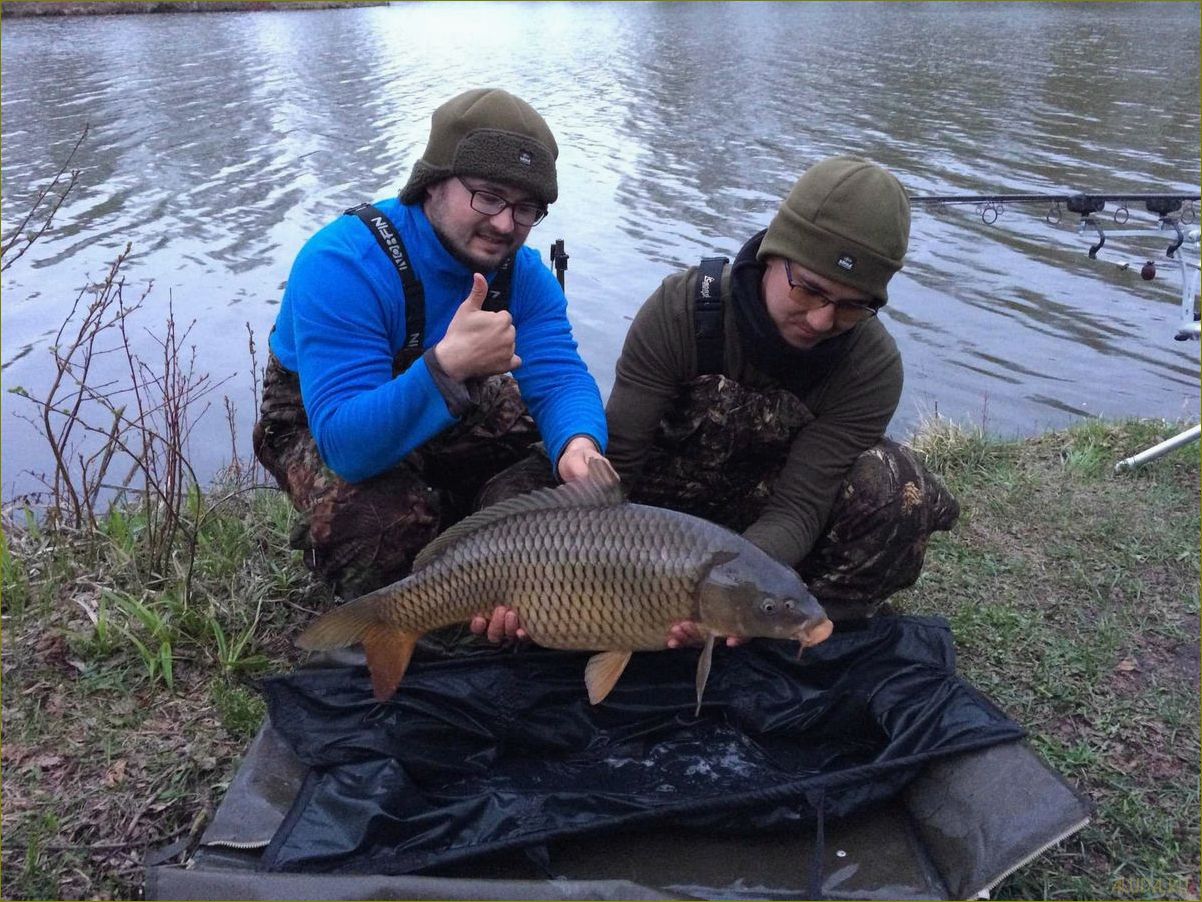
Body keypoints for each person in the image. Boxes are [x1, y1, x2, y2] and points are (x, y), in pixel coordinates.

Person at [253, 88, 608, 626]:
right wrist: (446, 368)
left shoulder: (522, 274)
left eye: (527, 208)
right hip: (323, 418)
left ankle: (495, 573)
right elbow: (347, 447)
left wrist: (578, 446)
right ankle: (415, 607)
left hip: (455, 397)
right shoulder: (344, 261)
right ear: (433, 182)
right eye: (488, 196)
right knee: (381, 527)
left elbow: (560, 379)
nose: (506, 225)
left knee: (557, 492)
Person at [605, 156, 960, 631]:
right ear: (774, 255)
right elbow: (618, 468)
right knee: (533, 470)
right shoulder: (681, 309)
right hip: (653, 518)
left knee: (897, 489)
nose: (821, 321)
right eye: (809, 290)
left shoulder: (871, 366)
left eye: (852, 306)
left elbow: (798, 507)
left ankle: (803, 626)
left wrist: (729, 594)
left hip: (765, 524)